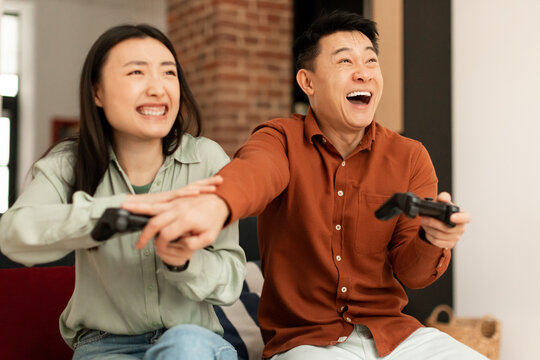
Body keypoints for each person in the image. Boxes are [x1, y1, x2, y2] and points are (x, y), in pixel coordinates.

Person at [122, 11, 486, 360]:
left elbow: (413, 274)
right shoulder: (279, 138)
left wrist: (432, 239)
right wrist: (215, 205)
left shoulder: (409, 155)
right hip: (308, 344)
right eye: (345, 62)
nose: (363, 73)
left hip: (397, 338)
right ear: (307, 82)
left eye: (370, 61)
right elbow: (254, 174)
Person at [0, 24, 246, 360]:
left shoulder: (207, 159)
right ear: (97, 92)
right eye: (136, 72)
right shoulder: (68, 163)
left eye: (168, 73)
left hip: (192, 340)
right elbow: (13, 236)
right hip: (103, 345)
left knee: (186, 348)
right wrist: (117, 211)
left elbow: (230, 280)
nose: (157, 88)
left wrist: (185, 261)